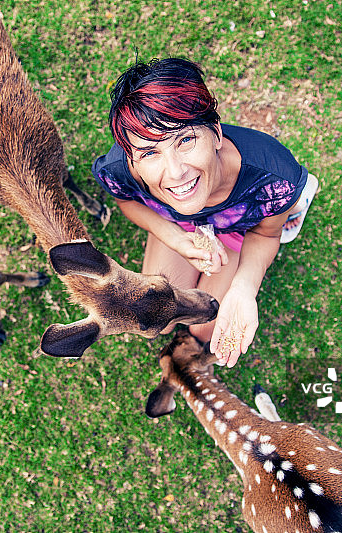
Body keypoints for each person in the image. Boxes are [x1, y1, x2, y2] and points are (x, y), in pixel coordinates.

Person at [91, 58, 318, 368]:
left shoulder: (275, 178)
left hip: (238, 231)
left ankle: (292, 210)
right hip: (177, 225)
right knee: (160, 319)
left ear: (216, 133)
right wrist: (173, 236)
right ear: (133, 158)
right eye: (150, 153)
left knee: (205, 327)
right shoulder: (120, 170)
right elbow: (126, 201)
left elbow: (266, 233)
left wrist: (244, 287)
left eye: (185, 140)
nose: (175, 173)